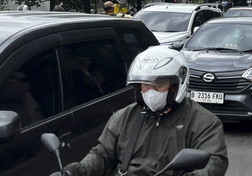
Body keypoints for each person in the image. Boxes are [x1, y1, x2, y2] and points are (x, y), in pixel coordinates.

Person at [61, 46, 228, 176]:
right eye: (145, 85)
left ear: (177, 85)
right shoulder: (124, 117)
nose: (150, 91)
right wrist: (81, 169)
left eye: (158, 84)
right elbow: (103, 153)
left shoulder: (203, 122)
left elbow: (214, 162)